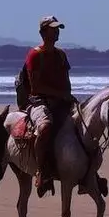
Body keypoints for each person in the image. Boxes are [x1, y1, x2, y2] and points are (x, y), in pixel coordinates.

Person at [22, 15, 77, 196]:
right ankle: (41, 171)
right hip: (39, 101)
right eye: (52, 29)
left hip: (61, 100)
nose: (56, 32)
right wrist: (60, 95)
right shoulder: (35, 55)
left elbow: (66, 81)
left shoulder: (61, 55)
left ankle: (87, 172)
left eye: (57, 29)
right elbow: (36, 86)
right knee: (45, 127)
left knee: (84, 125)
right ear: (42, 32)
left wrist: (68, 96)